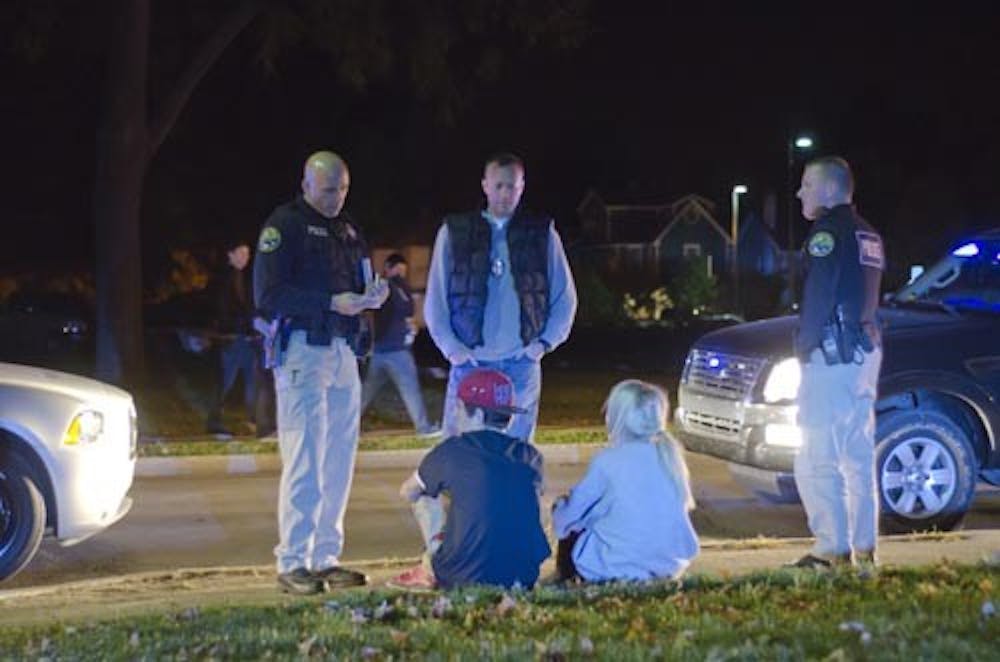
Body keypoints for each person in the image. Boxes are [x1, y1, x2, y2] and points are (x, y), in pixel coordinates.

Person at [253, 150, 390, 595]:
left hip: (343, 351)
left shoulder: (348, 230)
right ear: (307, 183)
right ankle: (293, 560)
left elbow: (359, 281)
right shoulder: (285, 224)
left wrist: (372, 297)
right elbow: (268, 293)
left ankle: (326, 557)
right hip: (303, 352)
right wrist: (330, 302)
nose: (337, 198)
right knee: (305, 454)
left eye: (344, 189)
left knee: (338, 458)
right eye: (330, 189)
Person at [424, 152, 577, 443]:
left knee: (516, 454)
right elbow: (436, 298)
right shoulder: (455, 232)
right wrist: (451, 348)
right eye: (499, 186)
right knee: (460, 454)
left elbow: (564, 297)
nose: (506, 194)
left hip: (521, 363)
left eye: (513, 186)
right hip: (469, 361)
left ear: (522, 187)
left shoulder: (542, 233)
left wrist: (543, 344)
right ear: (485, 185)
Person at [790, 156, 884, 569]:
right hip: (864, 353)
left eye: (807, 185)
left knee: (816, 455)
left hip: (831, 355)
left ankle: (830, 550)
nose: (800, 192)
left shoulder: (827, 233)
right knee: (857, 455)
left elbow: (819, 297)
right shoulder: (868, 234)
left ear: (829, 190)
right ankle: (864, 549)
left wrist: (803, 348)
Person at [389, 368, 550, 590]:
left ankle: (430, 567)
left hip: (461, 575)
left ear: (476, 413)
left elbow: (408, 491)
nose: (456, 414)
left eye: (459, 408)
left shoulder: (453, 450)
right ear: (509, 417)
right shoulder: (531, 455)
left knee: (425, 497)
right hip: (524, 576)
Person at [551, 380, 699, 583]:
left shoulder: (609, 460)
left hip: (614, 567)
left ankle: (564, 581)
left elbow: (573, 513)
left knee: (565, 507)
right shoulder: (672, 458)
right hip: (669, 565)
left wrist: (561, 512)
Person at [360, 253, 440, 437]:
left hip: (384, 348)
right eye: (398, 269)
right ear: (390, 268)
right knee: (410, 389)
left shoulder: (397, 288)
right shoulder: (390, 287)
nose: (401, 273)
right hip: (395, 349)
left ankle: (344, 427)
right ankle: (424, 428)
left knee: (366, 391)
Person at [205, 240, 275, 439]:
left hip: (246, 339)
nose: (246, 258)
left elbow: (248, 307)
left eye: (247, 254)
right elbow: (226, 310)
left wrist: (255, 323)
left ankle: (255, 422)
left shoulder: (243, 278)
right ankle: (215, 422)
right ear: (230, 255)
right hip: (233, 339)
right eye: (241, 253)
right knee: (226, 381)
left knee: (253, 381)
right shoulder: (224, 279)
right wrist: (250, 323)